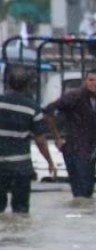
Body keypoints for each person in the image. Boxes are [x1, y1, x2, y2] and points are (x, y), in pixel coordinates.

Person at [44, 69, 96, 198]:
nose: (94, 83)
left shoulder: (95, 102)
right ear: (85, 81)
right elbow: (48, 111)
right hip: (75, 150)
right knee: (81, 193)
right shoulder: (74, 96)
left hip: (89, 152)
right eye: (90, 80)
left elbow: (90, 126)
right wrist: (57, 137)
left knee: (87, 194)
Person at [0, 67, 56, 213]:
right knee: (21, 211)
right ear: (27, 86)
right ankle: (19, 236)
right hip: (21, 167)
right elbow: (40, 140)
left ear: (8, 83)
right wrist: (49, 161)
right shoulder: (32, 108)